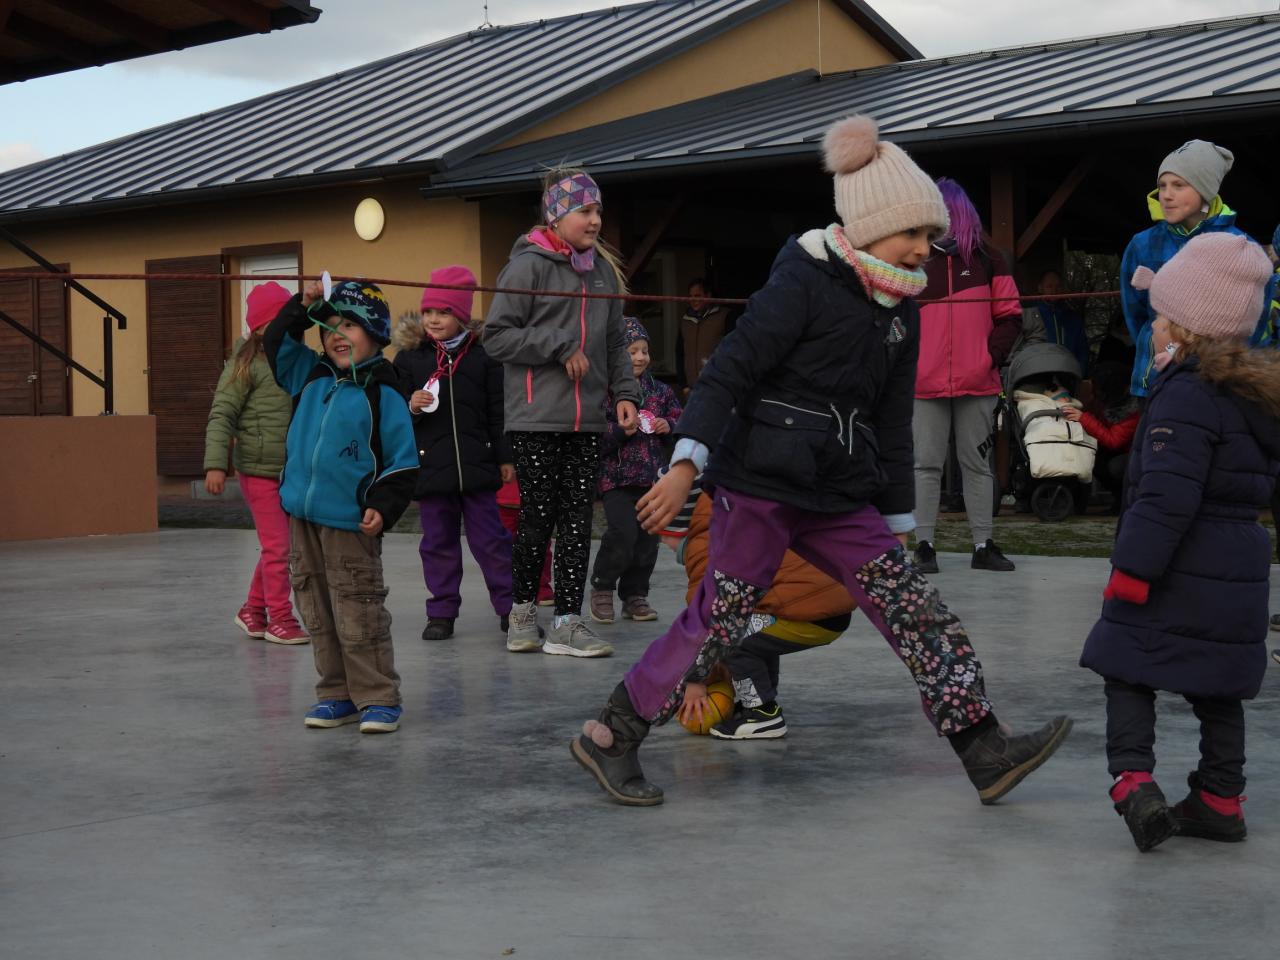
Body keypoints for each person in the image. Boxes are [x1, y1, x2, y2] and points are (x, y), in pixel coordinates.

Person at [569, 115, 1072, 807]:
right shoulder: (802, 281)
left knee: (912, 605)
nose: (925, 247)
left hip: (839, 491)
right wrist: (686, 465)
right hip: (761, 483)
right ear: (869, 224)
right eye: (913, 231)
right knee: (721, 619)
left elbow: (891, 423)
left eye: (931, 234)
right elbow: (729, 371)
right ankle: (613, 734)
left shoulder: (903, 310)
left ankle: (982, 747)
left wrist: (897, 521)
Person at [1080, 233, 1280, 851]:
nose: (1154, 330)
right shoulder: (1252, 395)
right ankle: (1220, 799)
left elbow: (1166, 497)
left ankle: (1134, 784)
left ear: (1185, 332)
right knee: (1218, 685)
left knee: (1123, 665)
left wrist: (1132, 570)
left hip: (1176, 563)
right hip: (1238, 565)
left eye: (1161, 319)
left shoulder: (1187, 396)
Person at [483, 167, 642, 658]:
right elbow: (496, 336)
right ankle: (523, 612)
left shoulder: (602, 273)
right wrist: (557, 344)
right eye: (585, 211)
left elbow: (615, 341)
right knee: (537, 516)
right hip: (536, 416)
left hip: (586, 418)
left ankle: (568, 622)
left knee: (577, 519)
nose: (595, 220)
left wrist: (626, 392)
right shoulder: (526, 267)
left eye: (598, 211)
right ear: (556, 216)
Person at [264, 279, 418, 734]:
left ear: (375, 333)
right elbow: (276, 341)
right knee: (316, 608)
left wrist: (383, 506)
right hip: (303, 517)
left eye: (349, 325)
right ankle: (336, 693)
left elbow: (403, 461)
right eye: (329, 326)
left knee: (358, 610)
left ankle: (378, 696)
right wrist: (304, 304)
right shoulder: (308, 375)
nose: (337, 334)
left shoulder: (383, 391)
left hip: (351, 523)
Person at [672, 484, 853, 740]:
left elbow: (708, 619)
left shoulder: (703, 545)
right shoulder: (729, 514)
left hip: (808, 610)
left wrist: (695, 681)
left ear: (679, 528)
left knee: (731, 638)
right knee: (756, 630)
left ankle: (762, 714)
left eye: (662, 533)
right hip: (827, 607)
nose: (663, 543)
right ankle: (761, 698)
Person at [392, 265, 514, 643]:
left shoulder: (484, 357)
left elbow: (499, 411)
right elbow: (392, 411)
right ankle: (441, 612)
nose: (433, 319)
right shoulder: (410, 359)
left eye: (443, 312)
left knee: (492, 542)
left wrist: (505, 457)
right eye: (428, 311)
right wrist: (410, 405)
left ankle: (511, 609)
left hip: (478, 469)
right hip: (431, 469)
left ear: (461, 314)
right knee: (437, 544)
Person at [912, 178, 1022, 575]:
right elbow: (892, 317)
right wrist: (908, 362)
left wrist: (987, 359)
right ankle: (923, 547)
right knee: (925, 465)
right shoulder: (910, 258)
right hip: (924, 383)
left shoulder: (989, 259)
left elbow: (1010, 316)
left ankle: (983, 545)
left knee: (976, 464)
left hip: (977, 382)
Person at [1120, 138, 1274, 400]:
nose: (1166, 195)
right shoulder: (1143, 244)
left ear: (1206, 188)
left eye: (1179, 185)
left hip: (1217, 381)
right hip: (1153, 379)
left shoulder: (1241, 247)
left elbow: (1255, 319)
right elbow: (1134, 311)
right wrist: (1153, 346)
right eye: (1162, 186)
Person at [203, 281, 308, 645]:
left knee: (280, 546)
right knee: (279, 547)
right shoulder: (245, 365)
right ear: (261, 328)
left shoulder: (295, 359)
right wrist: (216, 464)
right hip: (258, 472)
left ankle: (253, 610)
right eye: (277, 321)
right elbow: (221, 414)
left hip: (289, 470)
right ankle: (280, 617)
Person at [589, 317, 682, 625]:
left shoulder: (661, 392)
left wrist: (669, 425)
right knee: (622, 534)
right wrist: (619, 432)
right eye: (632, 352)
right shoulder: (605, 393)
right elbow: (593, 437)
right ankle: (603, 586)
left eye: (644, 350)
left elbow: (682, 421)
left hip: (653, 480)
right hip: (616, 480)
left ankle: (635, 595)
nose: (640, 357)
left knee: (647, 541)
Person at [1061, 362, 1140, 511]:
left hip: (1132, 453)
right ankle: (1120, 499)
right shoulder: (1111, 401)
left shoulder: (1132, 411)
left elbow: (1113, 441)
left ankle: (1126, 500)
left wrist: (1084, 418)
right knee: (1093, 459)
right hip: (1120, 449)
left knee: (1114, 467)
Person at [496, 477, 555, 607]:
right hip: (503, 500)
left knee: (540, 546)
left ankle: (541, 587)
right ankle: (505, 588)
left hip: (537, 498)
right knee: (503, 549)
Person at [1026, 270, 1090, 374]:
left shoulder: (1072, 317)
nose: (1054, 290)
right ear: (1040, 288)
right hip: (1039, 375)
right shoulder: (1031, 315)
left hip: (1069, 375)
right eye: (1049, 286)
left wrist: (1078, 371)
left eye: (1058, 286)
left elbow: (1083, 349)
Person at [678, 278, 728, 396]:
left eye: (697, 296)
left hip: (718, 389)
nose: (693, 300)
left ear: (708, 295)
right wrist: (684, 385)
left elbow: (734, 352)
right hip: (692, 390)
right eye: (690, 296)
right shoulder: (685, 321)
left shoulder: (725, 317)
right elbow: (679, 353)